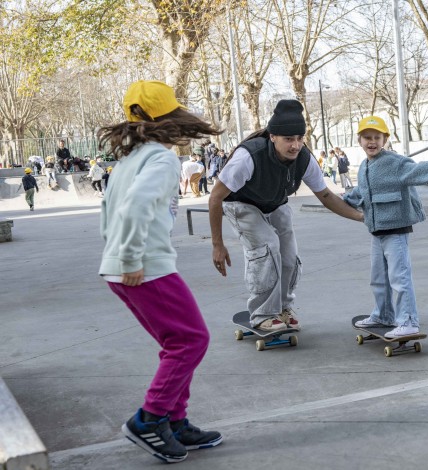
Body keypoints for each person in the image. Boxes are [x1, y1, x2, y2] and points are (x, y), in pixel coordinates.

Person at [97, 80, 223, 463]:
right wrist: (133, 258)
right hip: (144, 267)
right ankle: (150, 419)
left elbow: (108, 214)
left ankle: (175, 420)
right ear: (167, 117)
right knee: (191, 341)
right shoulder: (160, 159)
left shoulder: (128, 161)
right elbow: (134, 208)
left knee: (179, 343)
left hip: (124, 266)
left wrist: (119, 257)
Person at [208, 99, 364, 330]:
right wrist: (217, 245)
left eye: (300, 138)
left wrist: (361, 217)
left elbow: (327, 197)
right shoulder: (248, 157)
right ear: (272, 136)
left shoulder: (304, 159)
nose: (295, 145)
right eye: (288, 139)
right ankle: (262, 314)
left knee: (289, 256)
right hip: (240, 204)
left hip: (275, 203)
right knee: (267, 247)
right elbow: (215, 198)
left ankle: (282, 308)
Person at [343, 116, 428, 338]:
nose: (372, 142)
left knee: (399, 278)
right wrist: (347, 199)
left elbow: (419, 171)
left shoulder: (395, 163)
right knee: (378, 278)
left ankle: (408, 321)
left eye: (377, 137)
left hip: (396, 231)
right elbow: (363, 191)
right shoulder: (365, 166)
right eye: (367, 137)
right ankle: (383, 315)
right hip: (376, 232)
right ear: (359, 140)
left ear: (385, 139)